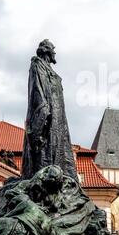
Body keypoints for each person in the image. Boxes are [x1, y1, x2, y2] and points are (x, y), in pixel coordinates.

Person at [21, 40, 77, 181]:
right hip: (47, 121)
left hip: (58, 122)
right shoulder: (37, 65)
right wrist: (41, 121)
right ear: (46, 50)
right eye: (53, 49)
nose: (55, 52)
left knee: (60, 158)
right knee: (45, 158)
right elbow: (37, 93)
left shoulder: (48, 69)